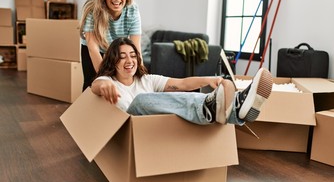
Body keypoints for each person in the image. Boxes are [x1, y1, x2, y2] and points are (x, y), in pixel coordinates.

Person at [91, 37, 273, 126]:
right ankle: (210, 107)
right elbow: (95, 86)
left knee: (172, 94)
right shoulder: (108, 81)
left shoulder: (147, 80)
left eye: (133, 55)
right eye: (122, 57)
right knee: (141, 100)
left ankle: (236, 111)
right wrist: (104, 84)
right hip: (129, 128)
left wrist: (209, 79)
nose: (129, 61)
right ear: (113, 61)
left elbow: (182, 84)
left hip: (156, 128)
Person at [79, 0, 142, 91]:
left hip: (116, 49)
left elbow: (136, 48)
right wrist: (105, 80)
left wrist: (141, 79)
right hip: (94, 49)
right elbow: (93, 50)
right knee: (93, 82)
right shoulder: (92, 10)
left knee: (121, 85)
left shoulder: (133, 10)